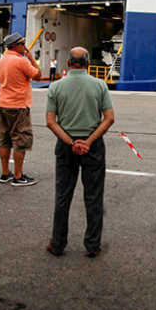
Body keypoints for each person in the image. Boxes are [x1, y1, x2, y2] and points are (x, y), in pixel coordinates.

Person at [45, 47, 114, 257]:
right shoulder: (100, 85)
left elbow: (50, 121)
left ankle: (58, 243)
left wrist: (71, 142)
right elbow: (109, 118)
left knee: (63, 195)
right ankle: (92, 245)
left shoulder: (55, 87)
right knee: (93, 196)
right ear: (88, 64)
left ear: (68, 63)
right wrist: (88, 141)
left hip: (66, 146)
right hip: (93, 146)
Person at [0, 32, 42, 186]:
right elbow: (37, 76)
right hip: (19, 105)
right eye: (22, 44)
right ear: (16, 46)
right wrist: (31, 58)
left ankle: (5, 173)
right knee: (20, 140)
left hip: (3, 104)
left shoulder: (1, 61)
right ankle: (18, 176)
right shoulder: (20, 61)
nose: (24, 47)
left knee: (4, 140)